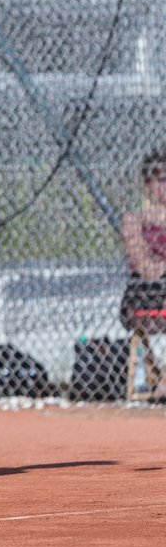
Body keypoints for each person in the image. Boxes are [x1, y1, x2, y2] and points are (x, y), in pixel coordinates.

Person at [118, 150, 166, 396]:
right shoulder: (133, 220)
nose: (164, 187)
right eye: (160, 180)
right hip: (145, 293)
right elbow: (145, 267)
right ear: (147, 185)